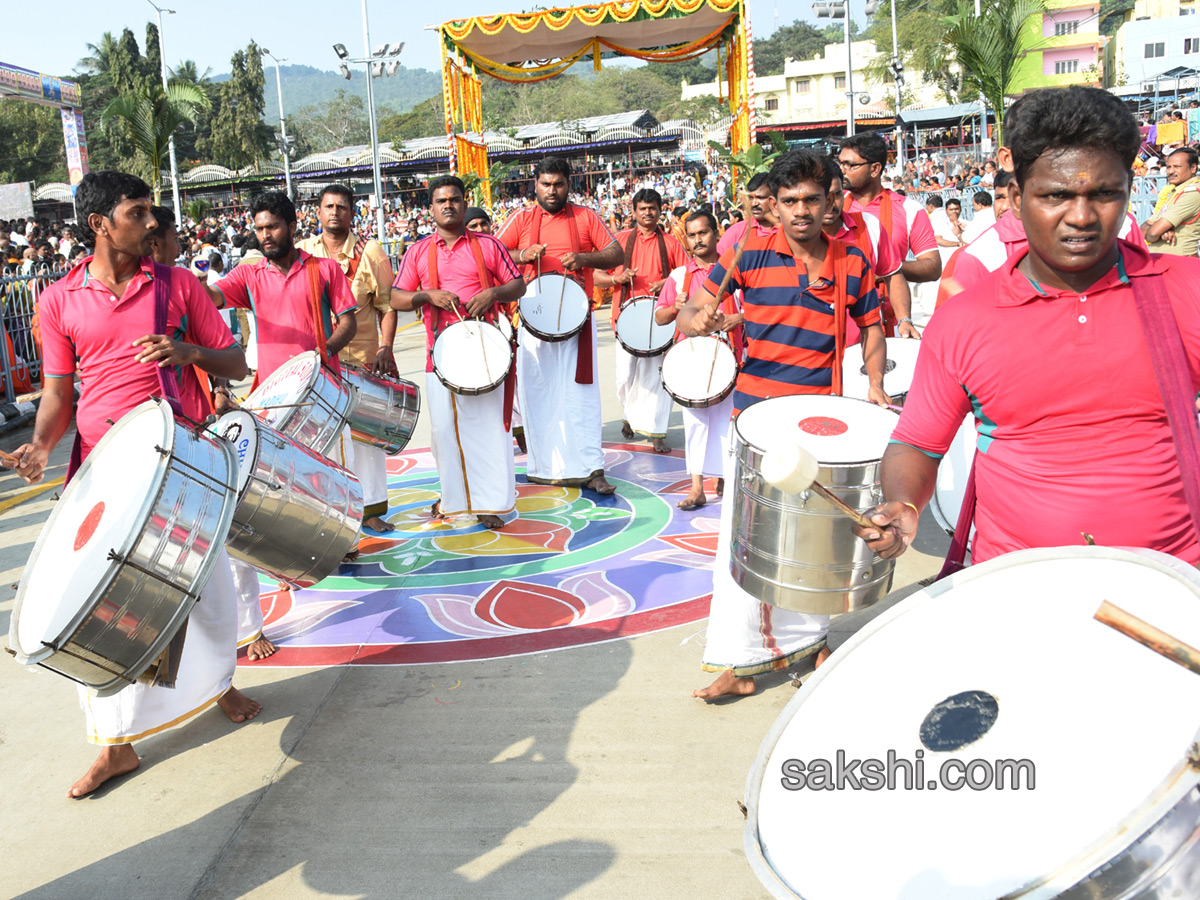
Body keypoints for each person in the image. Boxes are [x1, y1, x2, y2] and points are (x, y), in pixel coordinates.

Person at [850, 86, 1200, 650]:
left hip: (1171, 596)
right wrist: (905, 503)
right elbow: (917, 442)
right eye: (1056, 195)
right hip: (1017, 600)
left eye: (1106, 194)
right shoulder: (967, 319)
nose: (1082, 216)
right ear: (1015, 196)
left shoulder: (1185, 291)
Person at [7, 171, 260, 798]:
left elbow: (237, 361)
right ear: (101, 225)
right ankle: (114, 747)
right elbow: (60, 393)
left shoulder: (179, 284)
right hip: (102, 467)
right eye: (139, 212)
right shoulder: (58, 299)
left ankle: (217, 686)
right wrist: (41, 444)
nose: (153, 223)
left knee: (205, 591)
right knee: (99, 606)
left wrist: (188, 353)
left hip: (180, 462)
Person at [675, 150, 889, 700]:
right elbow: (696, 307)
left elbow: (870, 327)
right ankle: (741, 663)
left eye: (811, 200)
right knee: (744, 541)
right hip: (753, 419)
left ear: (830, 202)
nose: (799, 211)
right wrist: (702, 318)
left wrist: (873, 385)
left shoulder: (853, 261)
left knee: (811, 540)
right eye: (789, 201)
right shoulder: (746, 250)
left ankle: (810, 641)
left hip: (818, 422)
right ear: (775, 203)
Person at [392, 176, 526, 529]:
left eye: (454, 199)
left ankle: (492, 503)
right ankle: (458, 505)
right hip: (439, 357)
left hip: (485, 353)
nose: (448, 205)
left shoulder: (488, 245)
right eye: (441, 200)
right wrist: (426, 296)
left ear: (464, 204)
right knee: (446, 435)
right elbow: (396, 297)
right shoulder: (418, 251)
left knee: (487, 432)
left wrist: (493, 294)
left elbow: (518, 284)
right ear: (431, 208)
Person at [495, 156, 624, 494]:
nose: (552, 191)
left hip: (577, 323)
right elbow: (492, 252)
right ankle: (544, 467)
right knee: (538, 394)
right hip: (533, 322)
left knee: (581, 397)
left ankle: (592, 468)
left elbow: (616, 254)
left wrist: (584, 258)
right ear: (534, 184)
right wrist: (522, 256)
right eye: (545, 184)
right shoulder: (521, 218)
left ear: (570, 184)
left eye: (559, 184)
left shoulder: (585, 216)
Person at [297, 184, 398, 534]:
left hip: (361, 363)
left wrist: (386, 346)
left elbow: (387, 306)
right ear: (318, 212)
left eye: (342, 206)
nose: (335, 212)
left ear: (352, 212)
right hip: (319, 365)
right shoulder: (302, 252)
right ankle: (332, 514)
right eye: (328, 206)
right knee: (322, 441)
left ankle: (370, 510)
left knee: (365, 443)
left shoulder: (371, 252)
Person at [655, 210, 742, 510]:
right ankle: (697, 488)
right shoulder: (678, 277)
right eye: (691, 235)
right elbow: (660, 317)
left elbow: (752, 310)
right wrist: (675, 307)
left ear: (716, 233)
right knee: (694, 424)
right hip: (691, 360)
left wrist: (737, 318)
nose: (698, 240)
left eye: (703, 233)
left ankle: (726, 480)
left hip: (730, 356)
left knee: (728, 423)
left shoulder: (736, 272)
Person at [595, 188, 688, 452]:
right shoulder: (619, 241)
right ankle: (630, 415)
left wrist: (667, 283)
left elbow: (687, 278)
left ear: (660, 210)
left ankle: (657, 433)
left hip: (661, 321)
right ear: (634, 212)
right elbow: (596, 276)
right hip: (624, 321)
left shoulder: (670, 243)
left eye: (652, 208)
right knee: (625, 377)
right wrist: (617, 279)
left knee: (658, 378)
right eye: (642, 209)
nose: (648, 213)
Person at [839, 132, 939, 338]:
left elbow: (933, 267)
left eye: (850, 165)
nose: (842, 171)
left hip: (888, 326)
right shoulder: (831, 209)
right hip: (839, 326)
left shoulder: (909, 209)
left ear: (875, 169)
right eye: (840, 163)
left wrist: (887, 268)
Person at [821, 159, 911, 343]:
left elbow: (893, 274)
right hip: (812, 353)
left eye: (837, 194)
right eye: (823, 196)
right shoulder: (793, 235)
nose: (831, 203)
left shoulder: (869, 225)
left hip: (864, 346)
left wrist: (904, 319)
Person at [1141, 147, 1200, 257]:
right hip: (1165, 263)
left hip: (1181, 264)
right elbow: (1144, 228)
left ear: (1193, 168)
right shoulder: (1176, 191)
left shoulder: (1192, 193)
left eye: (1177, 167)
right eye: (1168, 167)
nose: (1171, 171)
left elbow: (1152, 234)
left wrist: (1157, 231)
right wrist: (1162, 231)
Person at [716, 173, 778, 256]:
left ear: (774, 199)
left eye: (760, 198)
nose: (753, 203)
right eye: (751, 198)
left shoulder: (789, 231)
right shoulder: (735, 233)